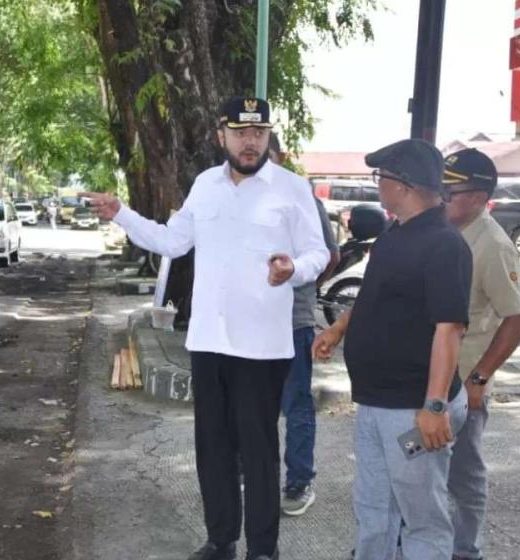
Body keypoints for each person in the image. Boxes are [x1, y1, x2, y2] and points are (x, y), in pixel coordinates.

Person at [87, 97, 329, 560]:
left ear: (268, 136)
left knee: (259, 452)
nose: (250, 141)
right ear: (222, 136)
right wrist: (121, 213)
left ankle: (263, 549)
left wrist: (293, 269)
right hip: (209, 342)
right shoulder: (204, 185)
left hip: (261, 347)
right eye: (240, 133)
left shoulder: (292, 188)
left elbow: (318, 254)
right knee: (213, 448)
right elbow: (170, 241)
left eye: (258, 133)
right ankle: (221, 540)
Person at [313, 139, 472, 560]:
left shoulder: (444, 243)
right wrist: (339, 329)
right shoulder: (394, 234)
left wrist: (434, 406)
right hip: (375, 402)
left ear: (403, 184)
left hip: (413, 410)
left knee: (422, 517)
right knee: (374, 509)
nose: (378, 184)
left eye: (380, 177)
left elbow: (450, 329)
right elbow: (374, 295)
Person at [442, 149, 520, 560]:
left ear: (478, 197)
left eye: (450, 192)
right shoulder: (446, 232)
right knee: (418, 466)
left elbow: (517, 317)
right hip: (430, 378)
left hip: (464, 382)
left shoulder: (492, 244)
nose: (442, 197)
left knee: (464, 474)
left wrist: (479, 378)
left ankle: (465, 550)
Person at [267, 133, 340, 516]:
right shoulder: (234, 199)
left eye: (267, 156)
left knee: (295, 403)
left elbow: (329, 255)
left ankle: (299, 482)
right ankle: (249, 471)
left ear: (280, 158)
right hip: (248, 324)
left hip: (293, 321)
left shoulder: (303, 198)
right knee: (248, 401)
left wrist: (303, 282)